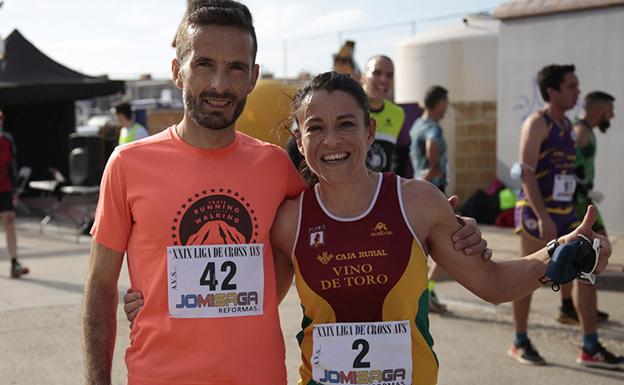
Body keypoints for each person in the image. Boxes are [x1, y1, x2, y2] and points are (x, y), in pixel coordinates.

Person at [84, 2, 485, 385]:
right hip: (159, 375)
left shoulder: (275, 166)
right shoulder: (128, 164)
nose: (220, 84)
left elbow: (345, 214)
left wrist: (443, 228)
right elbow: (100, 288)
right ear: (177, 70)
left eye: (235, 68)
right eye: (204, 64)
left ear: (253, 77)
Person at [127, 72, 611, 385]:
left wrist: (558, 257)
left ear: (369, 132)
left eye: (345, 124)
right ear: (299, 139)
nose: (331, 140)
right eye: (315, 127)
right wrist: (151, 300)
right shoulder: (289, 220)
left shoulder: (417, 202)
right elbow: (242, 303)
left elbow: (493, 284)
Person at [511, 64, 623, 368]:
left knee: (587, 275)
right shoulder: (538, 123)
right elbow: (527, 175)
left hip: (568, 214)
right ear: (553, 91)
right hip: (537, 214)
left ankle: (590, 346)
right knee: (529, 278)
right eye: (572, 86)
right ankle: (519, 341)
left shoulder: (568, 128)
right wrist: (543, 215)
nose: (578, 92)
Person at [557, 91, 615, 325]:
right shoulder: (581, 132)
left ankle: (571, 306)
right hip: (580, 206)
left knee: (579, 256)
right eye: (610, 110)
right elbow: (566, 164)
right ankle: (582, 310)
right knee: (595, 255)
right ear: (599, 111)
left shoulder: (582, 130)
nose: (612, 115)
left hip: (581, 202)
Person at [409, 85, 450, 313]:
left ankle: (422, 291)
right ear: (440, 102)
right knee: (446, 245)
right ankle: (428, 289)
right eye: (446, 102)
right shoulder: (433, 127)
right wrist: (434, 167)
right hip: (434, 190)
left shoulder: (416, 125)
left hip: (419, 189)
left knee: (425, 246)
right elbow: (432, 144)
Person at [361, 55, 405, 172]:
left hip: (383, 189)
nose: (383, 80)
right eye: (377, 73)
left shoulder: (398, 114)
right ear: (363, 76)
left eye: (389, 75)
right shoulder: (348, 109)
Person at [0, 110, 28, 279]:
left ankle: (14, 262)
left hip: (5, 188)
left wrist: (14, 191)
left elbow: (12, 166)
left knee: (9, 221)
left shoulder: (7, 140)